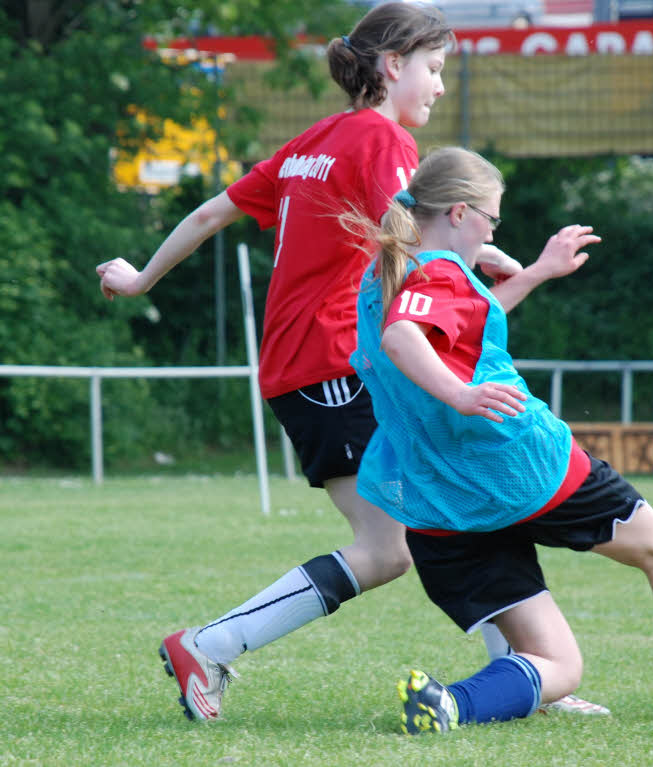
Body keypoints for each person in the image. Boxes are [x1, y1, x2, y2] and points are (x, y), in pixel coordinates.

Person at [96, 3, 605, 722]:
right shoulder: (383, 139)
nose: (437, 87)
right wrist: (487, 261)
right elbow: (415, 238)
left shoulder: (314, 141)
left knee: (435, 508)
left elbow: (214, 213)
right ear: (392, 65)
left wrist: (143, 276)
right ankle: (210, 644)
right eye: (432, 69)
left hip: (307, 367)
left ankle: (528, 672)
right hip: (333, 366)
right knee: (395, 539)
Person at [349, 146, 653, 734]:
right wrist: (462, 396)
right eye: (492, 219)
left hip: (445, 506)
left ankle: (448, 704)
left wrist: (533, 274)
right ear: (459, 213)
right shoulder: (437, 273)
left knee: (558, 665)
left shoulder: (381, 280)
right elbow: (409, 338)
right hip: (521, 469)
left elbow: (449, 330)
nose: (491, 231)